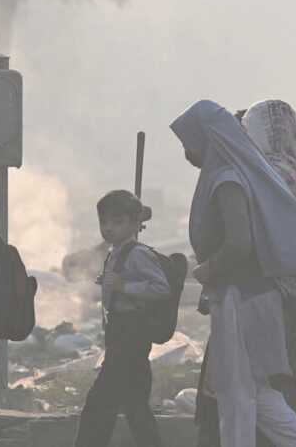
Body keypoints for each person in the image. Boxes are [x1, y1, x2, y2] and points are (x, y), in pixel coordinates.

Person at [171, 100, 296, 447]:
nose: (187, 153)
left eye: (188, 142)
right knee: (254, 392)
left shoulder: (225, 180)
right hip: (246, 297)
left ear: (207, 138)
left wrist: (208, 269)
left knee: (238, 394)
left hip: (242, 299)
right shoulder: (232, 174)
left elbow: (240, 243)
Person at [74, 190, 170, 447]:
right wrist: (110, 283)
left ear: (135, 224)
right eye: (104, 222)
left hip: (131, 335)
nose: (108, 228)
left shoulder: (138, 253)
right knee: (135, 406)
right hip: (120, 334)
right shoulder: (116, 251)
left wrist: (124, 287)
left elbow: (161, 288)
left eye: (117, 222)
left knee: (99, 403)